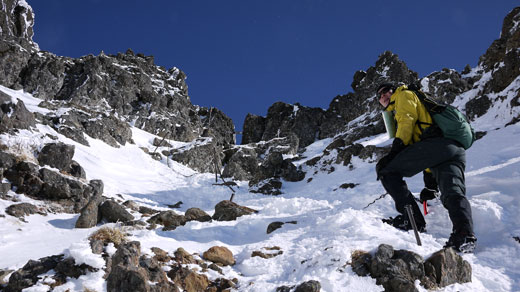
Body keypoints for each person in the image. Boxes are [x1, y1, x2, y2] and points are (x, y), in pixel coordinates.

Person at [375, 82, 477, 253]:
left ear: (394, 90)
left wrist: (396, 148)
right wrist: (430, 183)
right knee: (453, 192)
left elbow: (407, 118)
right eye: (379, 96)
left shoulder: (403, 94)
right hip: (453, 148)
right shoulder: (419, 98)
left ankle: (412, 221)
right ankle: (464, 235)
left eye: (386, 91)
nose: (383, 96)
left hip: (436, 145)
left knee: (387, 170)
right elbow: (426, 150)